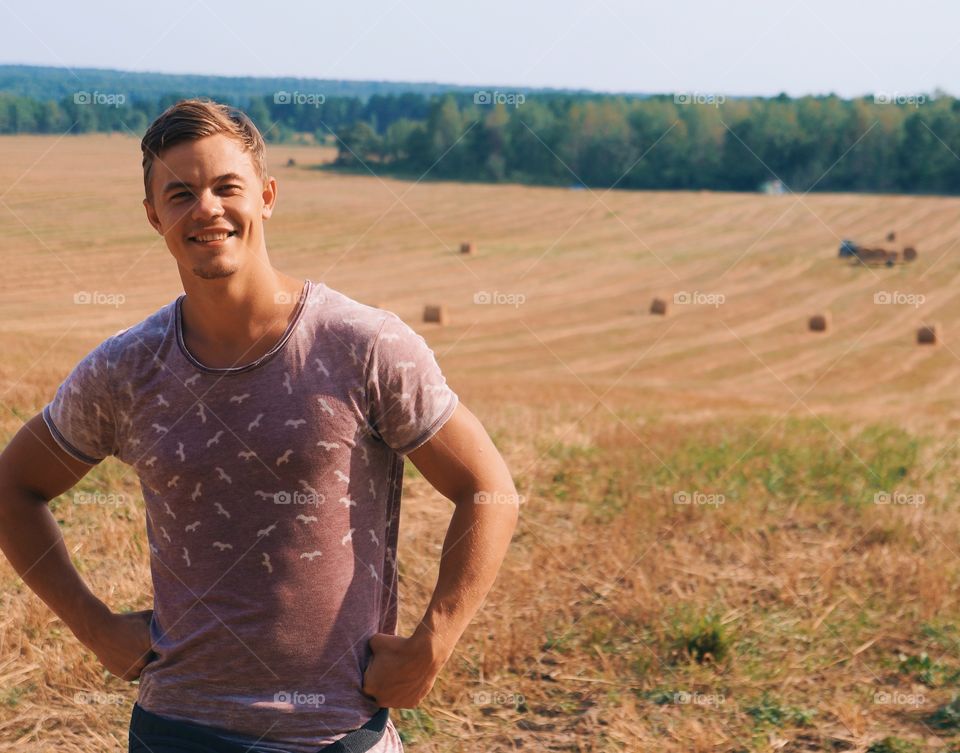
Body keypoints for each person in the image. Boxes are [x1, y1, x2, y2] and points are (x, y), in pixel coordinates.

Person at [0, 98, 520, 753]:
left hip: (333, 733)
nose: (207, 209)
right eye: (181, 193)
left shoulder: (363, 347)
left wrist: (434, 640)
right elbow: (13, 487)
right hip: (176, 730)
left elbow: (488, 488)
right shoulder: (126, 369)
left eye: (226, 187)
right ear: (153, 215)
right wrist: (94, 625)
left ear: (267, 196)